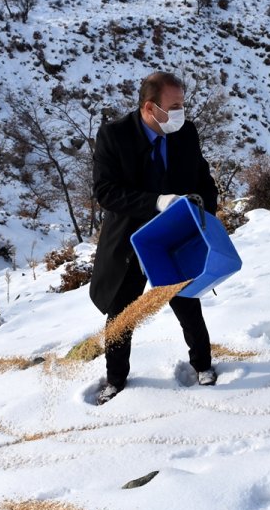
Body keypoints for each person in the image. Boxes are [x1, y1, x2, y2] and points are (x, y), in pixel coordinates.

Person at [89, 71, 219, 405]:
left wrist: (205, 215)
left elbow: (203, 179)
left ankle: (203, 365)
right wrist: (155, 202)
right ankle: (115, 379)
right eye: (175, 105)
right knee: (121, 313)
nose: (182, 112)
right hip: (132, 242)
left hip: (173, 239)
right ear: (150, 108)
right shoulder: (114, 136)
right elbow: (106, 192)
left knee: (187, 302)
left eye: (182, 104)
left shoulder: (185, 133)